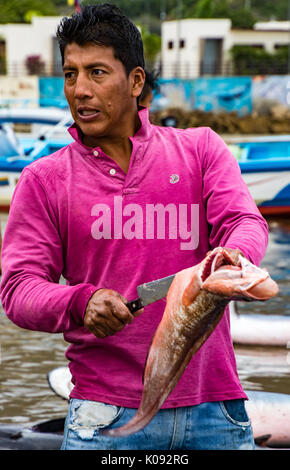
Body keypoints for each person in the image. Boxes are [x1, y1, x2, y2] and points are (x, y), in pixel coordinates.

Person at [0, 4, 268, 450]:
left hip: (215, 409)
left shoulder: (199, 150)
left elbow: (244, 221)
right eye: (71, 74)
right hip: (105, 417)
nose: (80, 90)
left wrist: (232, 257)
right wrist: (81, 301)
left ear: (136, 82)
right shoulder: (44, 180)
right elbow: (19, 289)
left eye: (97, 73)